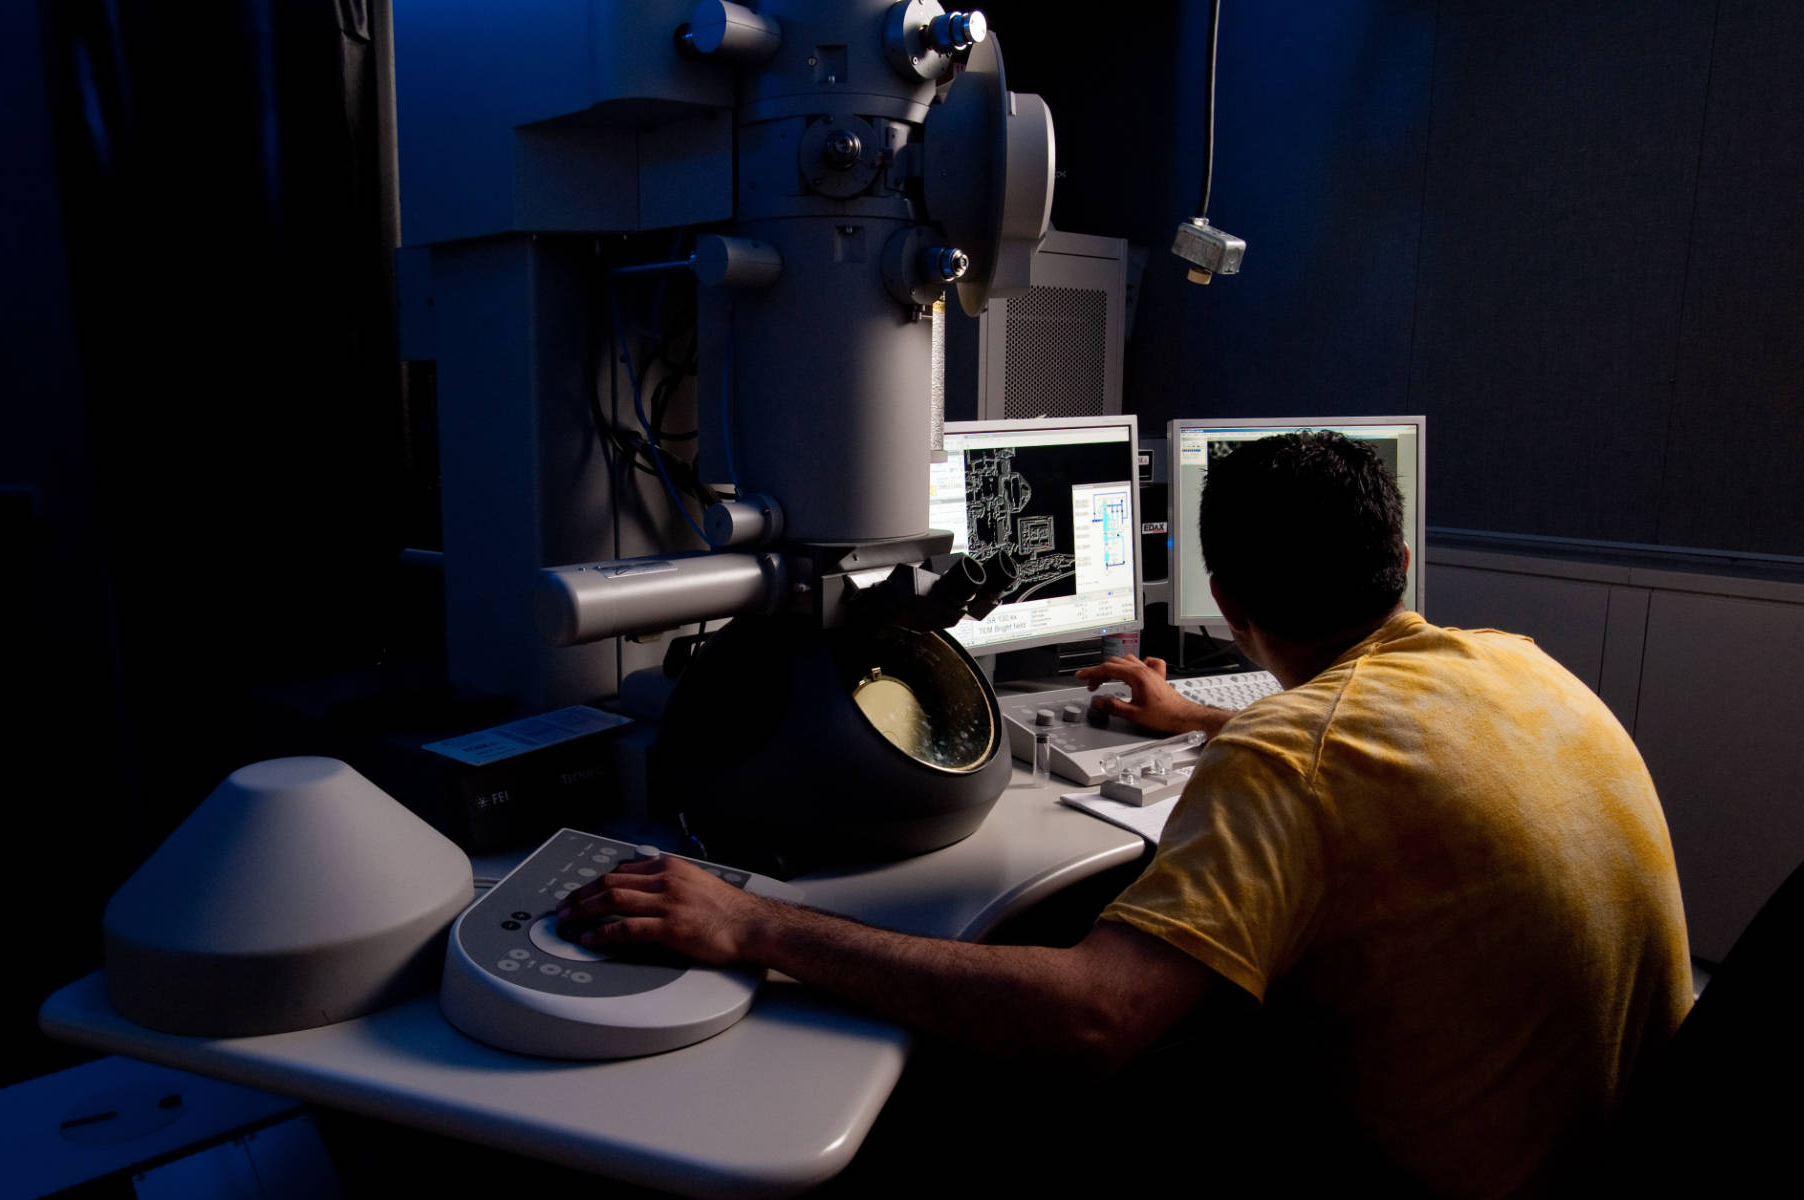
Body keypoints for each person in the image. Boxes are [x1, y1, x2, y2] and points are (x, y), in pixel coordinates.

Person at [559, 431, 1693, 1196]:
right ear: (1398, 560)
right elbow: (1387, 758)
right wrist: (1200, 716)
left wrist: (755, 927)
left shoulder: (1293, 752)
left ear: (1230, 605)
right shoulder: (1511, 662)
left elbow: (1097, 1019)